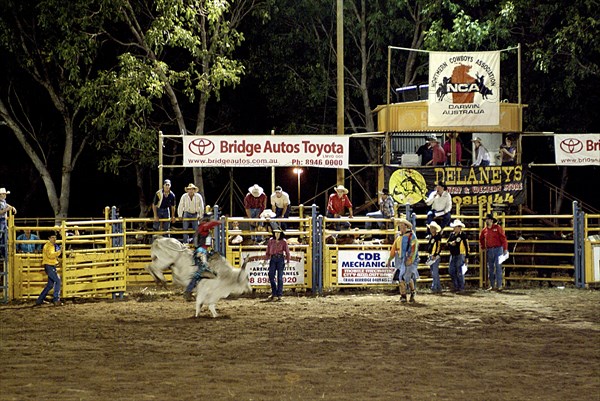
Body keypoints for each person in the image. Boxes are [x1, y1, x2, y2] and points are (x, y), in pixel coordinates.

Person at [183, 214, 222, 301]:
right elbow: (210, 224)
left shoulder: (201, 227)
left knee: (204, 271)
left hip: (202, 251)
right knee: (201, 271)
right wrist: (220, 221)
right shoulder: (203, 226)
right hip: (201, 251)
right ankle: (188, 291)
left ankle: (199, 291)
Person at [387, 218, 419, 303]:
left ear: (406, 226)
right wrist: (390, 259)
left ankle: (411, 293)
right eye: (400, 225)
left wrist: (410, 259)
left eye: (402, 225)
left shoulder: (412, 236)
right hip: (401, 260)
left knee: (406, 278)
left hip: (409, 259)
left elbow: (414, 249)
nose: (400, 227)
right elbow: (394, 248)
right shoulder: (399, 237)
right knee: (401, 278)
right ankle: (404, 295)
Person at [479, 213, 508, 291]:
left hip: (498, 249)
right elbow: (481, 239)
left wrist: (505, 248)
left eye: (488, 219)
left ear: (491, 220)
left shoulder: (497, 228)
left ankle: (499, 285)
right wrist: (483, 247)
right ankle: (493, 285)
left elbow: (503, 238)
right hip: (490, 249)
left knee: (498, 267)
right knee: (491, 268)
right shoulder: (485, 230)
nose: (487, 221)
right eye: (486, 220)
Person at [34, 232, 63, 306]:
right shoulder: (49, 246)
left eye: (55, 237)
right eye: (52, 237)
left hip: (50, 266)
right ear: (49, 238)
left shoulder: (50, 245)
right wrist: (59, 252)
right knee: (58, 280)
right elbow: (50, 255)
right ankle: (56, 299)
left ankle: (39, 300)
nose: (54, 239)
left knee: (50, 285)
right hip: (49, 266)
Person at [264, 228, 291, 302]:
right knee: (271, 275)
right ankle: (274, 293)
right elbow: (267, 251)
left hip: (280, 259)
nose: (277, 234)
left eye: (278, 233)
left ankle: (279, 294)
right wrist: (266, 259)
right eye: (276, 233)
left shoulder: (284, 241)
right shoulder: (271, 241)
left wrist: (288, 261)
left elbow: (287, 252)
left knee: (279, 277)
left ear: (280, 234)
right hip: (273, 259)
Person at [447, 219, 470, 292]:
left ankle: (460, 287)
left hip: (460, 254)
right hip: (454, 254)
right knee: (452, 271)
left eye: (456, 227)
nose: (454, 228)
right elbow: (447, 243)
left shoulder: (463, 235)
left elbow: (467, 246)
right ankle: (457, 286)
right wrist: (451, 243)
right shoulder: (452, 235)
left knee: (459, 271)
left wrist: (467, 256)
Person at [425, 221, 443, 293]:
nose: (431, 229)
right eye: (431, 228)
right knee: (434, 272)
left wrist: (435, 255)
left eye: (432, 228)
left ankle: (435, 287)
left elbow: (438, 247)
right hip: (432, 256)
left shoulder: (437, 237)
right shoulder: (433, 237)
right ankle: (437, 286)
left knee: (434, 272)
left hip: (434, 256)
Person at [0, 188, 17, 258]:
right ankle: (4, 254)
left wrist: (12, 207)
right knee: (1, 236)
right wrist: (6, 209)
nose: (5, 195)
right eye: (4, 194)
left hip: (3, 221)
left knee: (5, 237)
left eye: (5, 194)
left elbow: (7, 205)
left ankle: (5, 254)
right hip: (1, 220)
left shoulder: (3, 202)